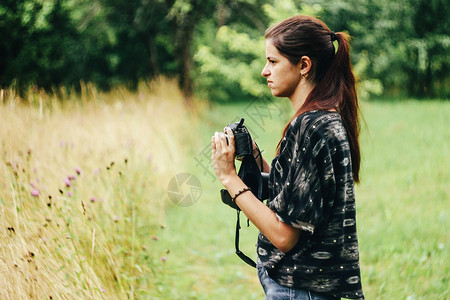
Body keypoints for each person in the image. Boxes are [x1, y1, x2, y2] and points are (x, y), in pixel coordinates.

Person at [211, 15, 364, 300]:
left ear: (304, 66)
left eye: (273, 61)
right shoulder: (324, 119)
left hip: (299, 288)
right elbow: (297, 199)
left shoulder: (309, 126)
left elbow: (285, 237)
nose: (264, 71)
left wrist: (229, 178)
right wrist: (254, 157)